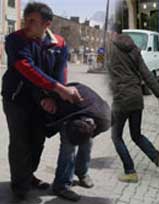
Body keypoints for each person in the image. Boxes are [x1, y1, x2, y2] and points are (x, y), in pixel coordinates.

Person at [1, 2, 82, 199]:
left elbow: (60, 73)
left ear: (47, 24)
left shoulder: (59, 44)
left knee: (37, 141)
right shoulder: (14, 39)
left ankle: (28, 175)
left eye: (33, 21)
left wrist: (52, 97)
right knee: (20, 142)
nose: (27, 25)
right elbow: (27, 69)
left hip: (42, 100)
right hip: (17, 99)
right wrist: (58, 89)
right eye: (25, 20)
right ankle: (20, 186)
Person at [108, 26, 159, 183]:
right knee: (136, 135)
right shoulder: (134, 48)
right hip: (136, 97)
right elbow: (146, 73)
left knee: (116, 136)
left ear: (113, 33)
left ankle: (130, 171)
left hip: (121, 100)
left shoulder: (111, 49)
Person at [33, 82, 111, 201]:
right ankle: (61, 186)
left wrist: (87, 135)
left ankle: (82, 173)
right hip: (70, 111)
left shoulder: (104, 119)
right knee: (67, 149)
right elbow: (44, 89)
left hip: (90, 115)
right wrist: (45, 99)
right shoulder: (60, 101)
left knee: (87, 144)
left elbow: (97, 129)